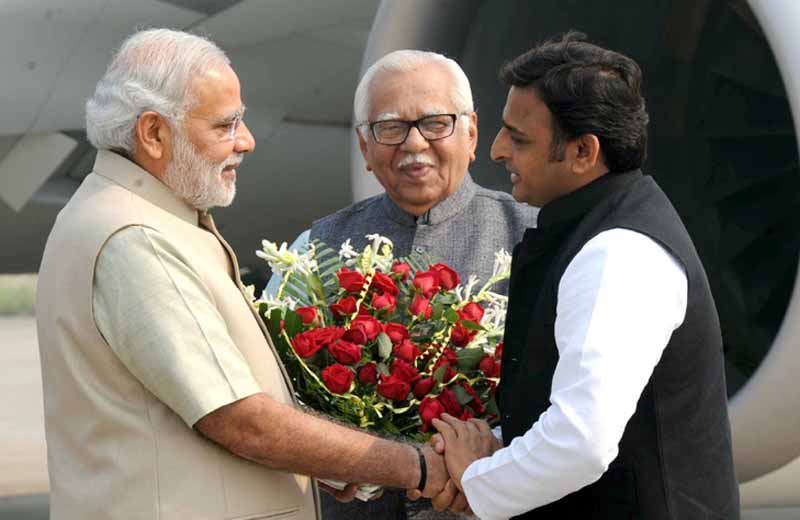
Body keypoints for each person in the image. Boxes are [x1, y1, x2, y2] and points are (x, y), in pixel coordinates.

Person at [35, 29, 448, 520]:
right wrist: (415, 467)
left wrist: (331, 460)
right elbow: (243, 422)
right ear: (153, 133)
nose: (246, 142)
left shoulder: (124, 213)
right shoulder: (136, 237)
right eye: (225, 125)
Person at [427, 32, 740, 519]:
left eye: (519, 137)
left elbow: (581, 442)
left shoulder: (620, 252)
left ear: (582, 152)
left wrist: (476, 478)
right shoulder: (595, 229)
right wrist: (492, 447)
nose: (496, 150)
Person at [266, 50, 537, 519]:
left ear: (471, 133)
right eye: (390, 128)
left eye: (435, 123)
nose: (414, 145)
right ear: (363, 147)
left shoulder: (534, 238)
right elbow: (270, 394)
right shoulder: (316, 249)